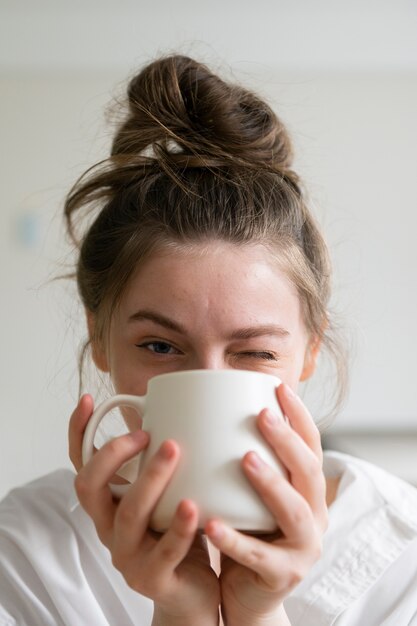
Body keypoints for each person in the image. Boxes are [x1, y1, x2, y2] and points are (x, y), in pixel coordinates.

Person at [1, 54, 417, 626]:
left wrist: (259, 615)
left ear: (311, 350)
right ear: (100, 338)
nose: (208, 382)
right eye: (160, 346)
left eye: (255, 352)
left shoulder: (403, 552)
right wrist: (181, 613)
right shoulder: (24, 550)